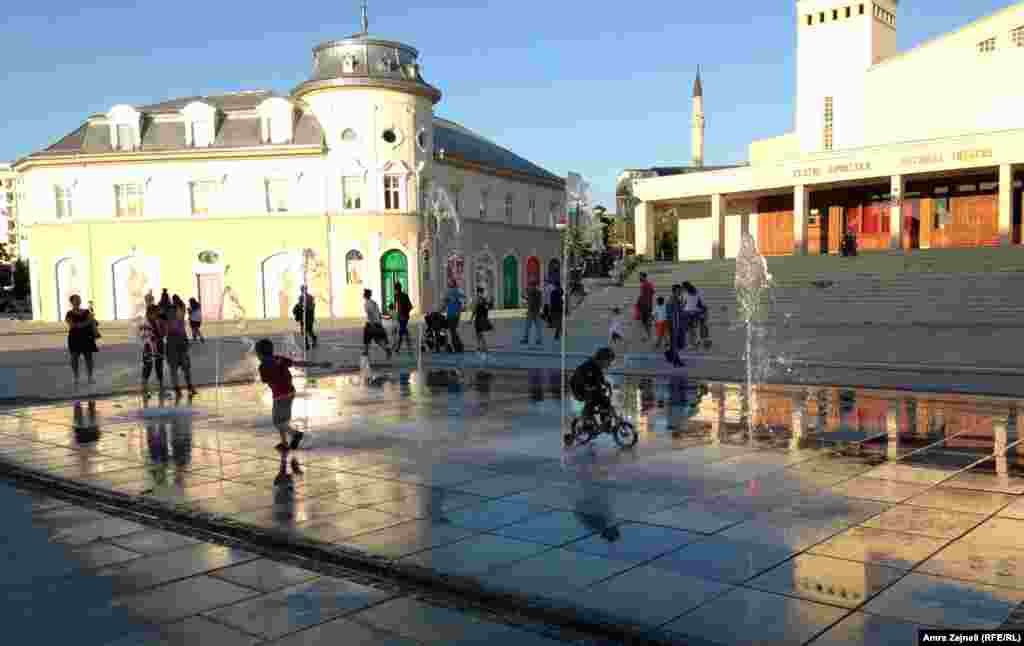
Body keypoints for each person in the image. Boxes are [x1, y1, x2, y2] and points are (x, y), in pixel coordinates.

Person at [255, 338, 331, 452]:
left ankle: (296, 434)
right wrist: (319, 364)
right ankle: (284, 442)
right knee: (283, 421)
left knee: (277, 422)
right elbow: (298, 363)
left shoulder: (263, 366)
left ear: (260, 354)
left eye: (257, 354)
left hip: (279, 396)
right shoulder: (279, 359)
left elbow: (265, 380)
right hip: (290, 392)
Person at [568, 347, 616, 445]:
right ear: (602, 359)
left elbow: (600, 378)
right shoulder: (588, 367)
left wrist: (606, 384)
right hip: (579, 389)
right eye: (608, 361)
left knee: (605, 401)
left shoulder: (597, 367)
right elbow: (583, 380)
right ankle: (587, 419)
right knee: (594, 399)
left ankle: (606, 423)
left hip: (590, 388)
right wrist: (592, 387)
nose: (609, 364)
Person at [163, 297, 197, 398]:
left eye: (179, 312)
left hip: (181, 345)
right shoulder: (169, 321)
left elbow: (183, 332)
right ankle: (178, 389)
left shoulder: (180, 320)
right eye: (177, 312)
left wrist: (186, 342)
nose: (180, 313)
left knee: (186, 368)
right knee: (174, 370)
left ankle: (189, 387)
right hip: (173, 346)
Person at [65, 294, 98, 387]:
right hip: (74, 338)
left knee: (89, 357)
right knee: (74, 357)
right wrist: (87, 322)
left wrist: (84, 323)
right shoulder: (69, 313)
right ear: (71, 302)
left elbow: (92, 321)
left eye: (79, 299)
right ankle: (76, 377)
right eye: (75, 300)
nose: (78, 301)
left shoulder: (86, 311)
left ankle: (90, 377)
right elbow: (72, 325)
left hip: (87, 337)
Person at [139, 304, 165, 395]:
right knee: (147, 368)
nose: (157, 315)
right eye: (156, 313)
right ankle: (145, 390)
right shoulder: (145, 323)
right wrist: (156, 338)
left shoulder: (156, 321)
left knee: (159, 367)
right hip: (149, 348)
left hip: (157, 347)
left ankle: (161, 389)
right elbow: (146, 337)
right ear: (150, 313)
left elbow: (161, 334)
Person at [362, 289, 391, 360]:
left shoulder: (366, 304)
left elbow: (370, 314)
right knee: (378, 340)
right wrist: (384, 318)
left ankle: (365, 355)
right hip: (378, 323)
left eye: (364, 293)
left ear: (366, 295)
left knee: (366, 340)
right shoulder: (374, 303)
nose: (363, 295)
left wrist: (372, 325)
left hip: (371, 324)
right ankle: (386, 349)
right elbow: (378, 313)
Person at [391, 282, 414, 354]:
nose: (396, 290)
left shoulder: (399, 296)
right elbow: (409, 307)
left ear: (397, 289)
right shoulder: (399, 296)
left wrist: (404, 313)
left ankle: (398, 349)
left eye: (396, 289)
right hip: (402, 317)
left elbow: (409, 306)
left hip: (403, 317)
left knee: (401, 332)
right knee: (404, 332)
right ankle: (408, 349)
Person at [470, 286, 493, 356]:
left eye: (479, 292)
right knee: (478, 334)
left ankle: (484, 347)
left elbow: (475, 310)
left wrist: (471, 319)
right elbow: (488, 308)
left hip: (480, 319)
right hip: (481, 318)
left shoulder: (480, 299)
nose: (479, 293)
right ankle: (480, 347)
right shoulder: (483, 299)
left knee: (480, 334)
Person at [293, 286, 317, 350]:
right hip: (303, 317)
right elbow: (299, 305)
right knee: (304, 331)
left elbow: (312, 307)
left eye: (303, 289)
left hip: (309, 317)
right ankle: (306, 344)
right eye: (302, 290)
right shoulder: (301, 297)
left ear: (306, 290)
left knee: (309, 331)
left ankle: (314, 338)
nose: (302, 291)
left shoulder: (310, 297)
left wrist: (306, 307)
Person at [682, 282, 705, 350]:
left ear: (685, 288)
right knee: (694, 328)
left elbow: (684, 303)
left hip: (688, 312)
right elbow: (700, 303)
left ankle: (692, 344)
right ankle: (696, 341)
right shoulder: (698, 292)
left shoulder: (685, 294)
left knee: (689, 330)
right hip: (696, 312)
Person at [668, 284, 686, 367]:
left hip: (677, 325)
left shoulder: (676, 299)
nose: (681, 292)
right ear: (675, 291)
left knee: (677, 344)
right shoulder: (672, 300)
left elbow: (680, 311)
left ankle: (673, 357)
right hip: (674, 325)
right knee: (675, 344)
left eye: (681, 291)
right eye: (679, 290)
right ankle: (676, 361)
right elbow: (673, 314)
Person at [444, 282, 465, 353]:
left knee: (453, 330)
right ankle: (457, 346)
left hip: (454, 314)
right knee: (452, 330)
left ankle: (458, 346)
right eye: (449, 283)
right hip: (450, 314)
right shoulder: (449, 292)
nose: (449, 284)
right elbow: (445, 302)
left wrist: (458, 312)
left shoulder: (457, 291)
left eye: (451, 283)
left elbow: (461, 302)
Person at [637, 272, 655, 341]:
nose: (639, 278)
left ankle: (649, 336)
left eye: (640, 276)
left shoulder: (644, 285)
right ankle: (648, 336)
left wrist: (639, 303)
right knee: (647, 321)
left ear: (643, 277)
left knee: (645, 322)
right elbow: (652, 292)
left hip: (645, 306)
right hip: (649, 305)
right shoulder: (649, 284)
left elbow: (642, 296)